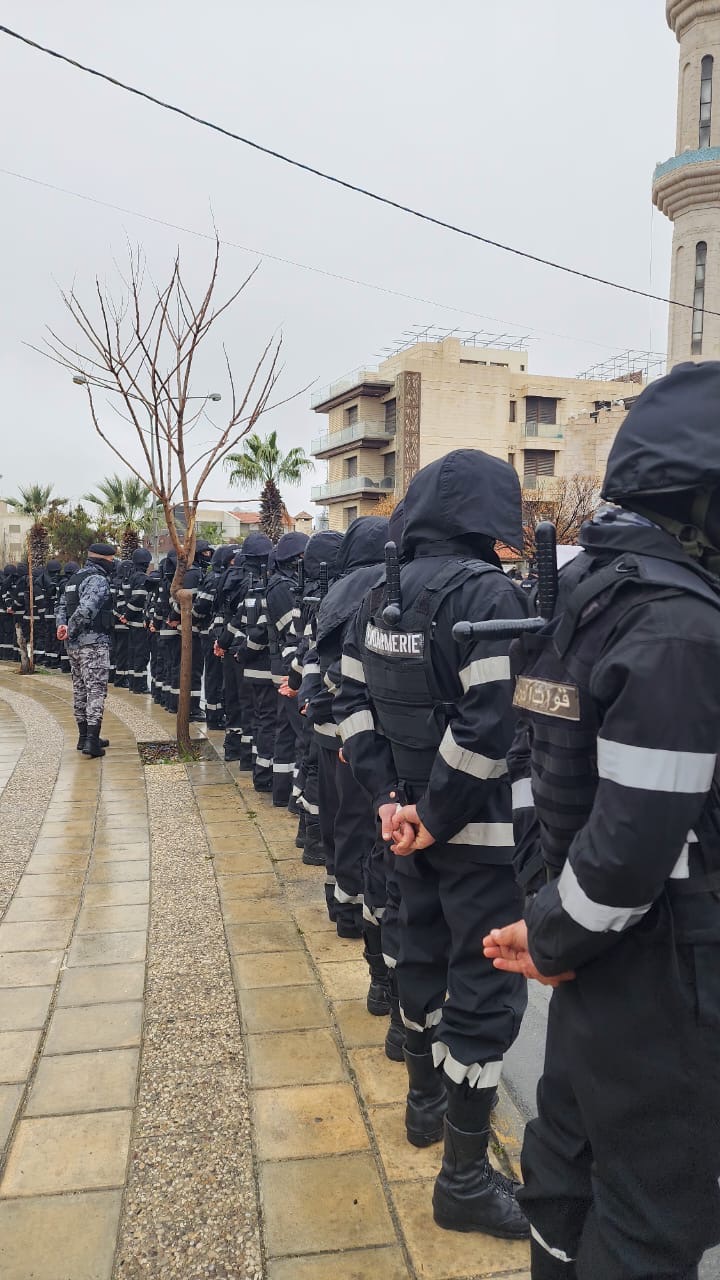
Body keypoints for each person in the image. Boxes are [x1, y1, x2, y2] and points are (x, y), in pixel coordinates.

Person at [485, 361, 720, 1279]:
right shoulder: (680, 627)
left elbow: (525, 765)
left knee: (565, 1168)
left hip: (594, 956)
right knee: (653, 1215)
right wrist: (552, 936)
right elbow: (631, 847)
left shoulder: (582, 593)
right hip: (665, 975)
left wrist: (546, 915)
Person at [335, 448, 528, 1239]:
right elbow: (490, 725)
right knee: (483, 989)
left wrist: (392, 803)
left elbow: (349, 705)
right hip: (476, 834)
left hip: (405, 830)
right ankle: (464, 1181)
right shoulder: (492, 594)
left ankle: (422, 1106)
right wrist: (434, 813)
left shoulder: (375, 594)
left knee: (418, 954)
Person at [56, 542, 117, 757]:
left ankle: (83, 737)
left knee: (80, 689)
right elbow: (86, 610)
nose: (113, 564)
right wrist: (71, 629)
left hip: (73, 646)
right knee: (95, 690)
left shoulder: (74, 579)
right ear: (103, 560)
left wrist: (63, 628)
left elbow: (61, 607)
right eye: (111, 560)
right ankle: (92, 741)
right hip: (93, 644)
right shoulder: (97, 579)